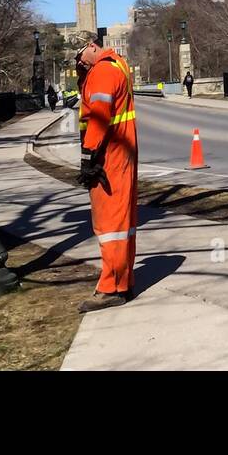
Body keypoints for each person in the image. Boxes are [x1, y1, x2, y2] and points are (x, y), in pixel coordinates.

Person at [75, 38, 138, 313]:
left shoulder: (102, 71)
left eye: (80, 57)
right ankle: (123, 280)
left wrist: (88, 157)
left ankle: (111, 287)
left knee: (109, 224)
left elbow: (99, 116)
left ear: (91, 45)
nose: (79, 63)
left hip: (108, 157)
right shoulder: (118, 65)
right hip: (121, 154)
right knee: (123, 222)